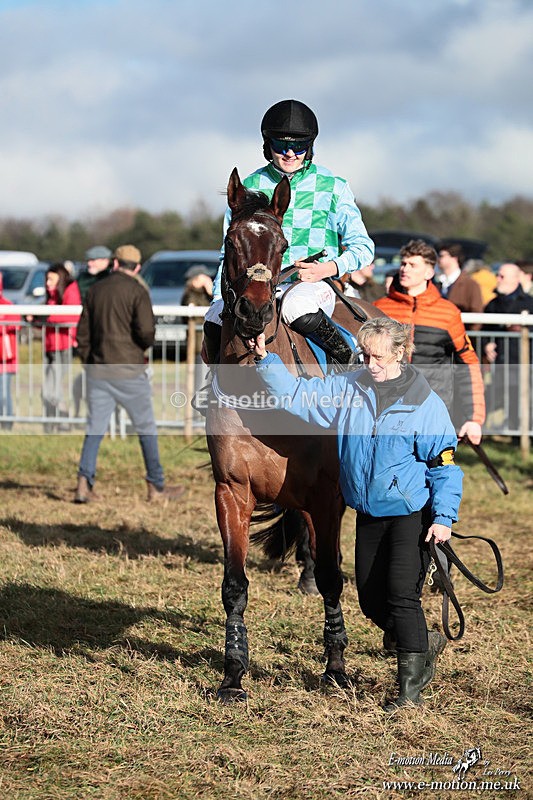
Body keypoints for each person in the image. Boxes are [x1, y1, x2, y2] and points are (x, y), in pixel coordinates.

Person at [251, 317, 461, 710]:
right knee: (369, 600)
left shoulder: (425, 403)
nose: (370, 364)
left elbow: (444, 465)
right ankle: (422, 642)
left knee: (401, 595)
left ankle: (409, 692)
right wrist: (267, 361)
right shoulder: (349, 389)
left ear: (399, 354)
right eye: (365, 355)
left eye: (378, 357)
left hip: (410, 514)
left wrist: (443, 517)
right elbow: (299, 396)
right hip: (367, 511)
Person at [204, 99, 374, 366]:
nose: (290, 153)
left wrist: (327, 269)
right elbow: (229, 251)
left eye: (299, 146)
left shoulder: (333, 187)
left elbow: (363, 247)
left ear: (310, 146)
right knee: (213, 317)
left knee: (296, 306)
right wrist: (219, 297)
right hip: (257, 285)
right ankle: (215, 384)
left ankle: (349, 363)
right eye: (281, 145)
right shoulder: (249, 186)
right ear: (267, 145)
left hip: (314, 285)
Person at [75, 244, 185, 504]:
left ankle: (83, 484)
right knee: (146, 429)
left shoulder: (95, 290)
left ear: (115, 263)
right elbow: (146, 332)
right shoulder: (138, 291)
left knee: (94, 430)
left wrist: (90, 361)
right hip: (130, 370)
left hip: (99, 369)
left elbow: (82, 334)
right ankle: (156, 486)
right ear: (136, 267)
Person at [374, 240, 485, 445]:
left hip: (433, 411)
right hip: (385, 410)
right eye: (403, 264)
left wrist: (474, 419)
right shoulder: (378, 308)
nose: (405, 269)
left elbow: (468, 363)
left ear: (429, 273)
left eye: (412, 265)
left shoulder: (448, 313)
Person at [482, 262, 533, 430]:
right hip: (500, 363)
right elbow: (484, 331)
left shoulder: (529, 303)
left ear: (515, 279)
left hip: (524, 362)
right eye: (498, 275)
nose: (498, 279)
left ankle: (520, 433)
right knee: (498, 395)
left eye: (502, 276)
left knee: (521, 397)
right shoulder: (492, 304)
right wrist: (487, 345)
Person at [30, 263, 81, 431]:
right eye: (46, 279)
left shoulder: (70, 291)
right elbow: (49, 321)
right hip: (50, 346)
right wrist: (36, 319)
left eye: (51, 279)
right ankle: (56, 424)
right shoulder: (52, 296)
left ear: (60, 278)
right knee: (53, 390)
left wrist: (45, 317)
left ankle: (62, 421)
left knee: (50, 391)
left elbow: (70, 316)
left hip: (63, 347)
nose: (47, 283)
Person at [437, 241, 484, 325]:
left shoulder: (470, 284)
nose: (438, 259)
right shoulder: (436, 283)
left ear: (454, 258)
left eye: (442, 256)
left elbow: (477, 313)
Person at [0, 270, 21, 429]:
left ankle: (7, 423)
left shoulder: (7, 306)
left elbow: (15, 324)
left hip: (5, 358)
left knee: (3, 393)